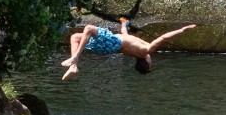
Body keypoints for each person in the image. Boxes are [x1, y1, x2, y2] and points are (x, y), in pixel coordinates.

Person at [61, 18, 197, 80]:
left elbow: (163, 37)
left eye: (151, 63)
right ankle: (73, 66)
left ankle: (75, 58)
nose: (152, 61)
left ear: (147, 61)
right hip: (108, 47)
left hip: (112, 42)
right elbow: (124, 34)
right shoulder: (134, 50)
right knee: (75, 37)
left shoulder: (146, 50)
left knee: (89, 28)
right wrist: (124, 23)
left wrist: (182, 29)